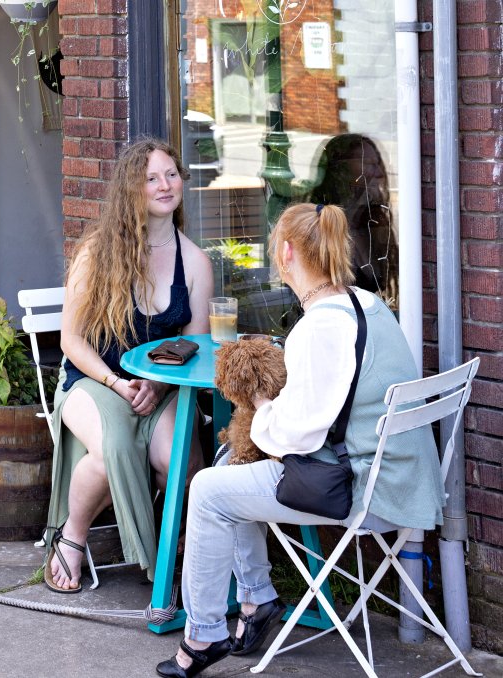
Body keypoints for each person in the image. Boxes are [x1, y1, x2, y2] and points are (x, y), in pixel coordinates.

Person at [156, 203, 441, 678]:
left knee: (207, 489)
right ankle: (256, 601)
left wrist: (263, 403)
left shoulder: (320, 328)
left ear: (286, 253)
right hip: (404, 477)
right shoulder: (365, 303)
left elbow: (297, 434)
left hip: (368, 493)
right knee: (231, 466)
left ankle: (203, 634)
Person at [44, 138, 214, 594]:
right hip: (92, 378)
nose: (164, 185)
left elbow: (194, 345)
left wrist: (157, 389)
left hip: (161, 387)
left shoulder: (194, 262)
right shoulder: (97, 252)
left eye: (171, 174)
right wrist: (119, 383)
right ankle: (72, 537)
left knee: (180, 457)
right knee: (115, 445)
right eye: (151, 178)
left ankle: (178, 547)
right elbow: (72, 340)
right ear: (131, 190)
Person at [308, 134, 397, 304]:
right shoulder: (319, 223)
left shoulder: (371, 222)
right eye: (369, 164)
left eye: (378, 163)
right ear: (341, 170)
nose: (379, 173)